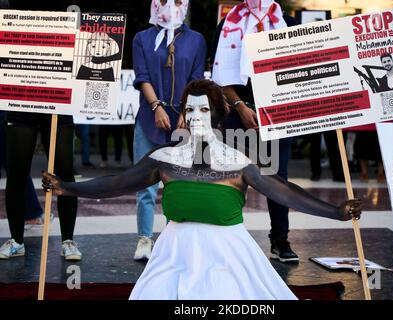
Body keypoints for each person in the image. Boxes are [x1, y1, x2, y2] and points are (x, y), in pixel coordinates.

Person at [42, 79, 362, 300]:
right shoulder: (163, 158)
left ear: (219, 117)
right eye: (190, 109)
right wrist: (66, 188)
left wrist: (336, 212)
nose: (195, 117)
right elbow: (117, 183)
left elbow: (284, 192)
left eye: (204, 110)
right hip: (173, 251)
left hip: (230, 254)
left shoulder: (239, 161)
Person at [211, 0, 301, 263]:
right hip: (239, 113)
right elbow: (219, 76)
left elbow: (300, 73)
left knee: (277, 179)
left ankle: (280, 240)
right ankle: (225, 237)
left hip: (276, 116)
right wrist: (240, 107)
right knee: (231, 177)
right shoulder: (227, 24)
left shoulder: (290, 24)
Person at [131, 0, 207, 260]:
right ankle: (144, 238)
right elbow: (142, 77)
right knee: (146, 183)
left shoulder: (196, 39)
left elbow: (197, 80)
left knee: (180, 181)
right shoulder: (142, 38)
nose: (170, 6)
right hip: (149, 117)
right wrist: (156, 108)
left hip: (183, 121)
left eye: (176, 1)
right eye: (164, 0)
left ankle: (174, 239)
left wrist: (186, 112)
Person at [0, 111, 81, 261]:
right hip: (23, 104)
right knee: (16, 174)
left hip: (58, 104)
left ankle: (68, 241)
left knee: (64, 175)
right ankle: (16, 241)